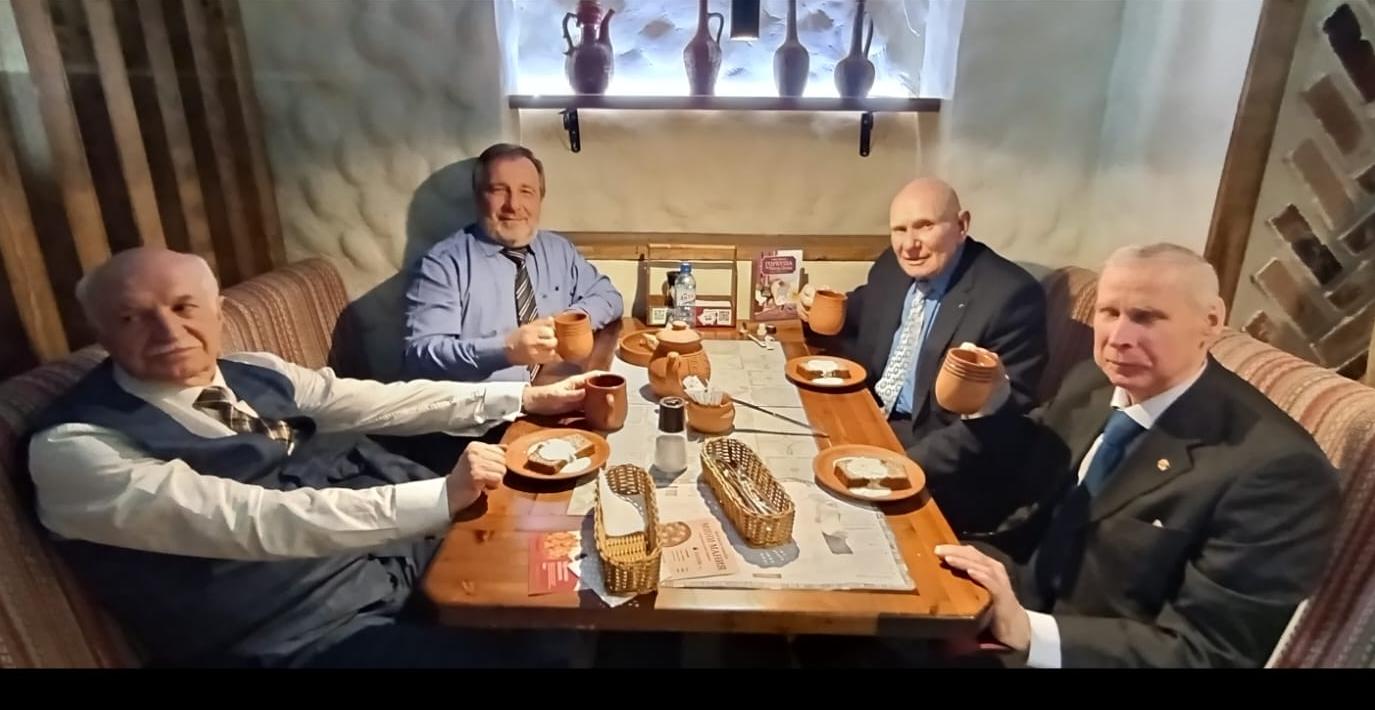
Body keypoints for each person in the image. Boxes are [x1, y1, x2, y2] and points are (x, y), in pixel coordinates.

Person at [28, 247, 603, 668]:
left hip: (395, 558)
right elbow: (254, 520)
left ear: (217, 312)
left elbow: (377, 402)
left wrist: (523, 398)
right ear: (99, 330)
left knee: (560, 590)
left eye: (184, 307)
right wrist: (439, 497)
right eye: (132, 317)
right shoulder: (76, 448)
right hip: (301, 635)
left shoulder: (253, 369)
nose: (167, 330)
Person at [934, 243, 1340, 668]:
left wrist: (1026, 630)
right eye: (1109, 313)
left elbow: (1210, 652)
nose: (1118, 339)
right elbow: (1021, 459)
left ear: (1211, 321)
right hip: (1000, 588)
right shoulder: (1094, 381)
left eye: (1146, 317)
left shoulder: (1279, 470)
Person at [799, 177, 1048, 533]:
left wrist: (898, 467)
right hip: (869, 418)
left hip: (934, 456)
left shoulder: (1009, 297)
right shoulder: (892, 266)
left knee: (830, 515)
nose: (909, 245)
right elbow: (856, 313)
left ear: (962, 225)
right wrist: (812, 311)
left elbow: (1002, 419)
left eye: (924, 226)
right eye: (899, 230)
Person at [402, 142, 624, 383]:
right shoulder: (443, 265)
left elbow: (608, 296)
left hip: (557, 389)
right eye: (499, 190)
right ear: (478, 197)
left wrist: (573, 319)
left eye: (526, 191)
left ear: (540, 198)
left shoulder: (558, 250)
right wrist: (506, 350)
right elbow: (420, 356)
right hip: (487, 405)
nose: (513, 205)